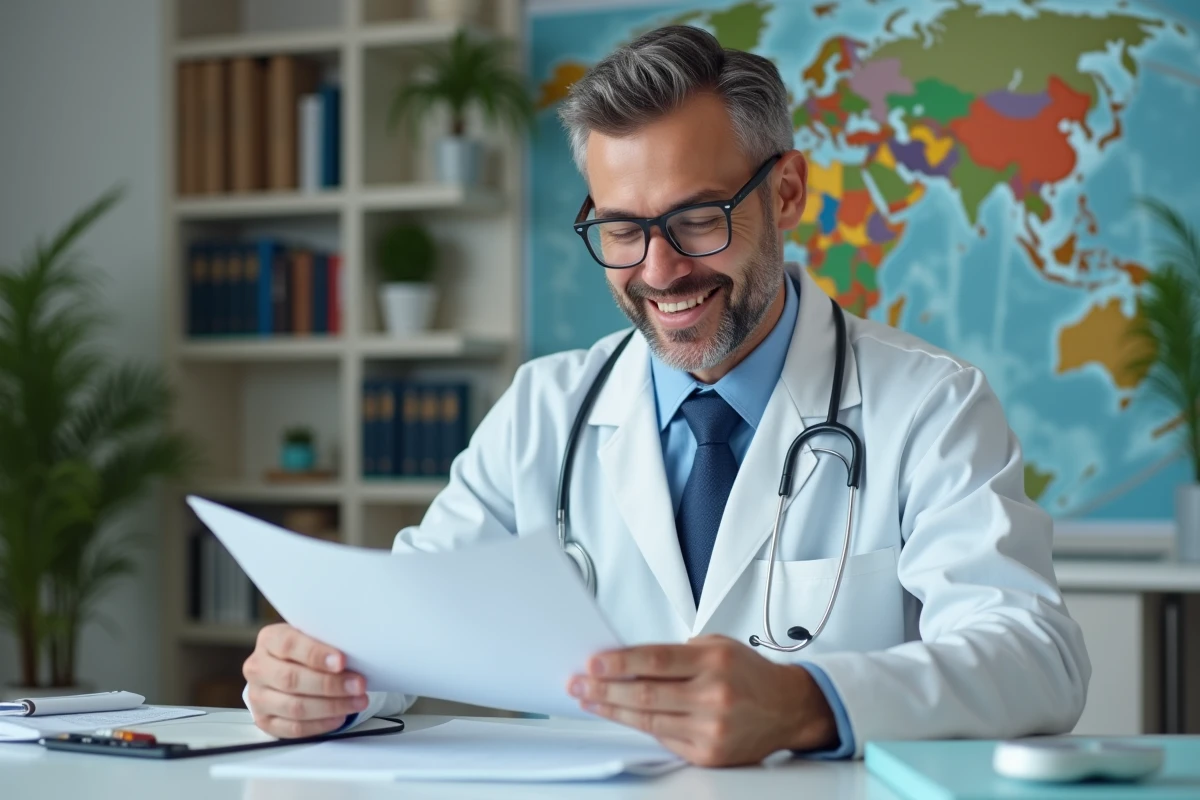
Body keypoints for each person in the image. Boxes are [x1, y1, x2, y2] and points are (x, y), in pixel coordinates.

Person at [241, 25, 1090, 766]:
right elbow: (408, 626)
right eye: (621, 228)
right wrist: (325, 680)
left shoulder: (929, 404)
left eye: (697, 219)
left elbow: (1034, 657)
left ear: (787, 192)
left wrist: (804, 703)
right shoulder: (546, 410)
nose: (658, 270)